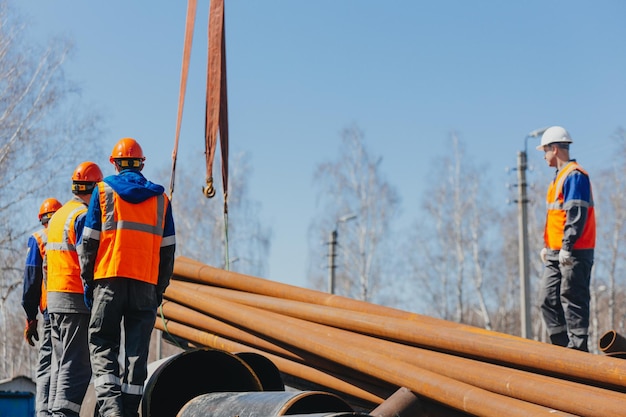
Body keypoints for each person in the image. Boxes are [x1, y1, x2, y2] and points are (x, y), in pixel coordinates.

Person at [79, 137, 175, 417]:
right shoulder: (161, 199)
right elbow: (168, 252)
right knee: (136, 352)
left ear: (114, 163)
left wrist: (90, 282)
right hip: (145, 284)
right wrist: (158, 290)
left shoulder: (103, 191)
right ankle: (130, 411)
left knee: (102, 344)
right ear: (142, 164)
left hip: (109, 279)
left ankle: (112, 412)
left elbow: (88, 244)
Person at [47, 161, 103, 416]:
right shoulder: (82, 216)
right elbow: (86, 258)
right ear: (94, 189)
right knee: (77, 364)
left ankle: (54, 411)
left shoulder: (59, 214)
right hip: (74, 299)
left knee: (60, 363)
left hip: (55, 299)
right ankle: (64, 414)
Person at [536, 126, 595, 352]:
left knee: (573, 297)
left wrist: (567, 247)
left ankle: (578, 350)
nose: (544, 156)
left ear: (554, 148)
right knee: (547, 300)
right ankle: (561, 349)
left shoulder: (575, 175)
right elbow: (555, 217)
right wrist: (547, 246)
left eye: (545, 151)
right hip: (554, 251)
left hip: (574, 251)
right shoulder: (557, 179)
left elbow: (576, 215)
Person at [22, 197, 63, 417]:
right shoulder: (71, 233)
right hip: (75, 308)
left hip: (50, 311)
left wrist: (30, 318)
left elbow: (31, 281)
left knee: (47, 363)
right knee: (66, 363)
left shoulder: (39, 238)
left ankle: (44, 413)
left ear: (41, 219)